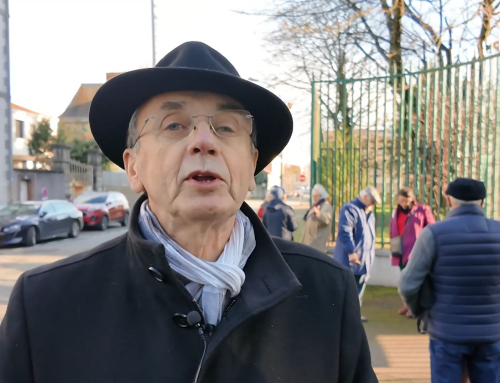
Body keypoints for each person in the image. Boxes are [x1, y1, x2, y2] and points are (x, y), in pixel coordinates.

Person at [0, 42, 377, 383]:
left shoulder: (326, 291)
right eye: (174, 125)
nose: (204, 141)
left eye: (227, 127)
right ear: (133, 168)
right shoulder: (46, 305)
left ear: (252, 166)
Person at [399, 178, 500, 383]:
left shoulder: (434, 234)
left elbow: (407, 284)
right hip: (491, 334)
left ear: (448, 200)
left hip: (447, 333)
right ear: (482, 201)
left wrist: (422, 311)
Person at [333, 186, 381, 322]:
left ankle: (354, 316)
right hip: (351, 261)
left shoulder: (368, 213)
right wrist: (351, 252)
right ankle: (345, 319)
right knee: (348, 292)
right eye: (373, 202)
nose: (373, 206)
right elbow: (344, 232)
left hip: (364, 261)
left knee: (358, 291)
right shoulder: (350, 209)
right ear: (366, 198)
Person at [389, 187, 435, 317]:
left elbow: (431, 228)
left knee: (414, 279)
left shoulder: (422, 210)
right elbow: (393, 228)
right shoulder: (396, 212)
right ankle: (405, 304)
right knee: (403, 278)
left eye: (406, 200)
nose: (403, 203)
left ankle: (413, 307)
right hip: (400, 250)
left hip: (416, 250)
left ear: (412, 199)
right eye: (401, 200)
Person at [301, 184, 333, 252]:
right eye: (313, 196)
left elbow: (326, 220)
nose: (314, 198)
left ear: (322, 196)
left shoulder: (326, 206)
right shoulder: (315, 205)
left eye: (316, 196)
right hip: (309, 241)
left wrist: (318, 213)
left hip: (316, 241)